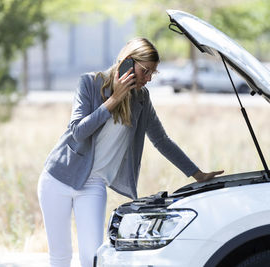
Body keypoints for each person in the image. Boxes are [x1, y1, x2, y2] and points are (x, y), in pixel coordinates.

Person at [37, 37, 224, 267]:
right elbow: (77, 132)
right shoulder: (90, 83)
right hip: (58, 177)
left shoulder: (142, 99)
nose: (148, 79)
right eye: (145, 71)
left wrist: (198, 174)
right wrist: (114, 99)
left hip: (94, 183)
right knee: (60, 256)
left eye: (152, 73)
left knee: (92, 258)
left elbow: (161, 140)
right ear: (127, 62)